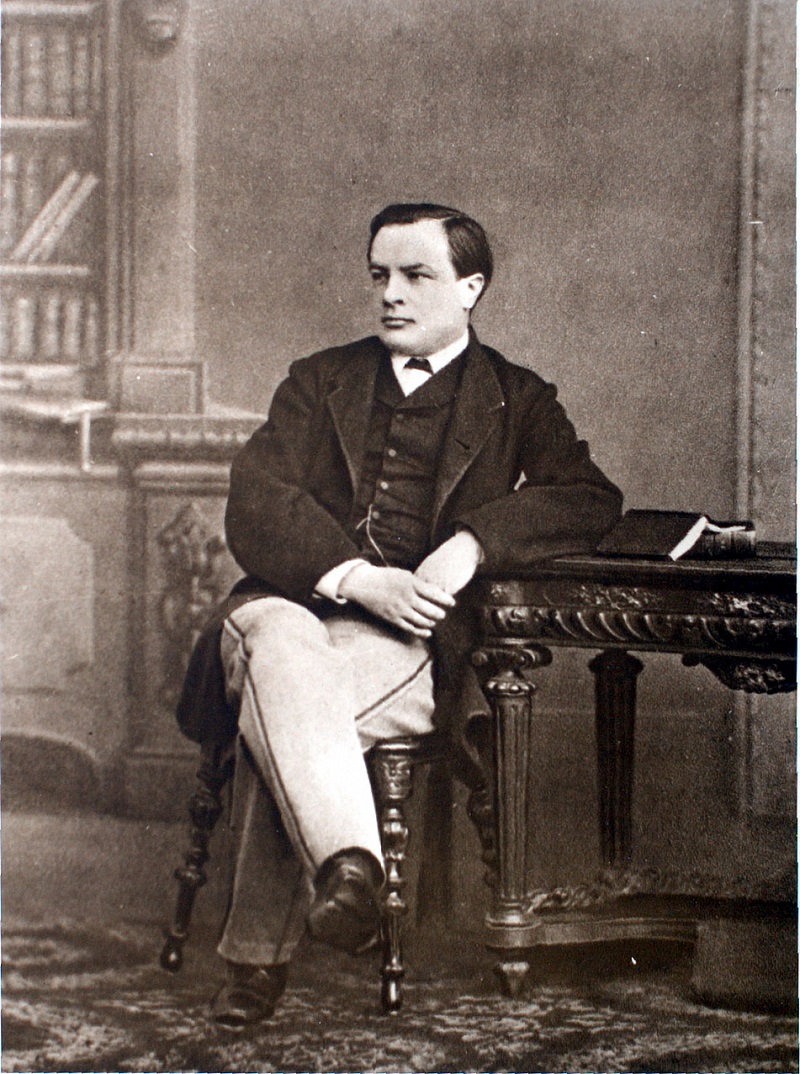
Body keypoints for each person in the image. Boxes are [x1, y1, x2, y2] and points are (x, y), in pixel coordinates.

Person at [176, 202, 623, 1029]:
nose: (391, 293)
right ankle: (350, 862)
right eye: (380, 274)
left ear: (471, 287)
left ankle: (273, 947)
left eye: (416, 275)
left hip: (402, 648)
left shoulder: (517, 398)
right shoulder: (319, 380)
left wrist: (470, 545)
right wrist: (355, 577)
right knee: (282, 647)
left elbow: (589, 497)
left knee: (288, 711)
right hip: (284, 608)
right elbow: (256, 499)